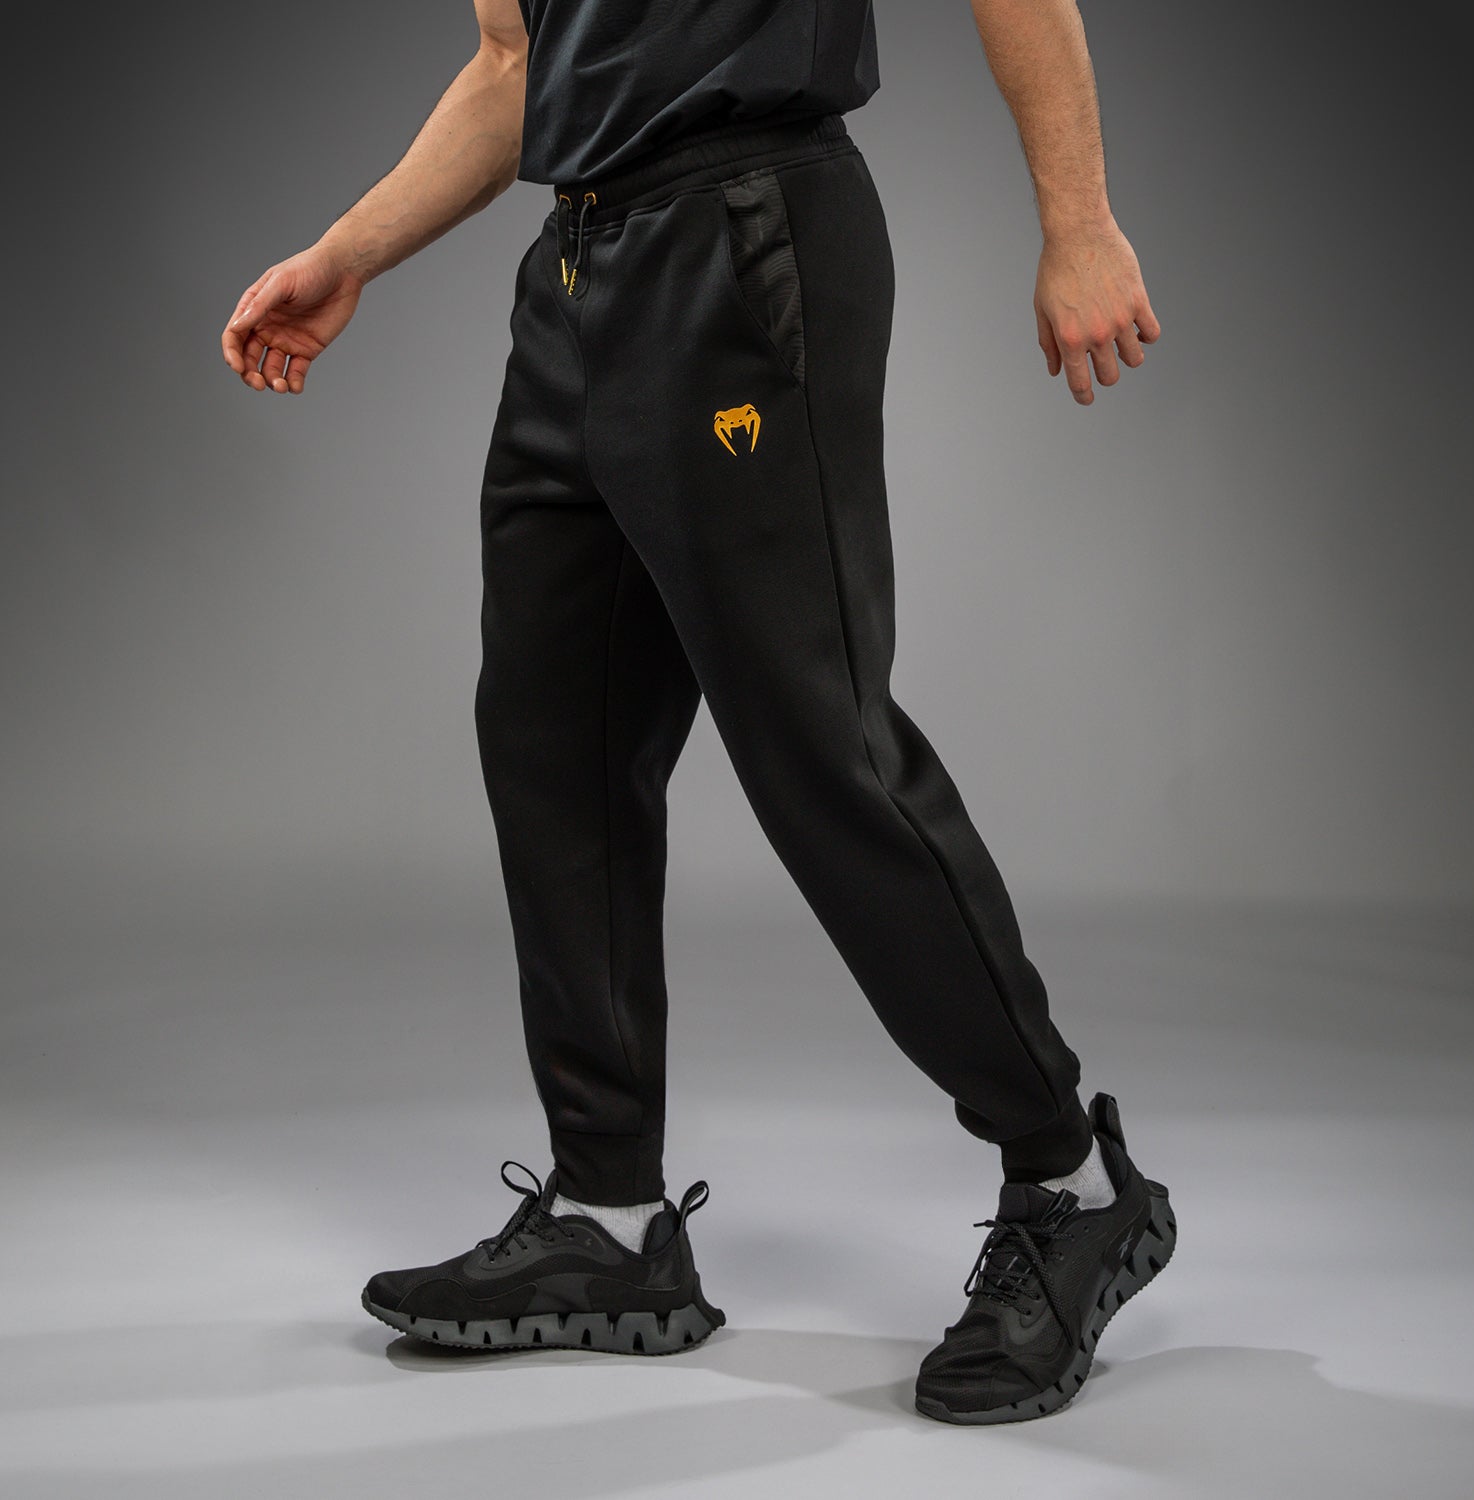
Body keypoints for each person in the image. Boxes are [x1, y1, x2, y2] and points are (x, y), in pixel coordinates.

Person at [220, 0, 1174, 1423]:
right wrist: (347, 253)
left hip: (745, 237)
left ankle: (1073, 1179)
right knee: (553, 745)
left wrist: (1079, 221)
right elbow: (514, 63)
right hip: (576, 271)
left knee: (820, 751)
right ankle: (608, 1220)